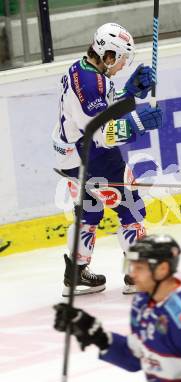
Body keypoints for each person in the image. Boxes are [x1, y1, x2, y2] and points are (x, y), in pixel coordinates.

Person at [52, 23, 162, 296]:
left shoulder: (82, 68)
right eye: (121, 60)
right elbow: (102, 134)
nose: (123, 66)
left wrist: (129, 92)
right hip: (95, 156)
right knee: (131, 208)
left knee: (88, 211)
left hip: (70, 156)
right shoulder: (92, 82)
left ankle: (75, 274)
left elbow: (101, 108)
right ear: (108, 54)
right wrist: (138, 122)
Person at [53, 235, 181, 381]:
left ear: (162, 269)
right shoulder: (142, 303)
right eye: (131, 266)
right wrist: (100, 337)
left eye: (139, 268)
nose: (132, 274)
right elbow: (138, 356)